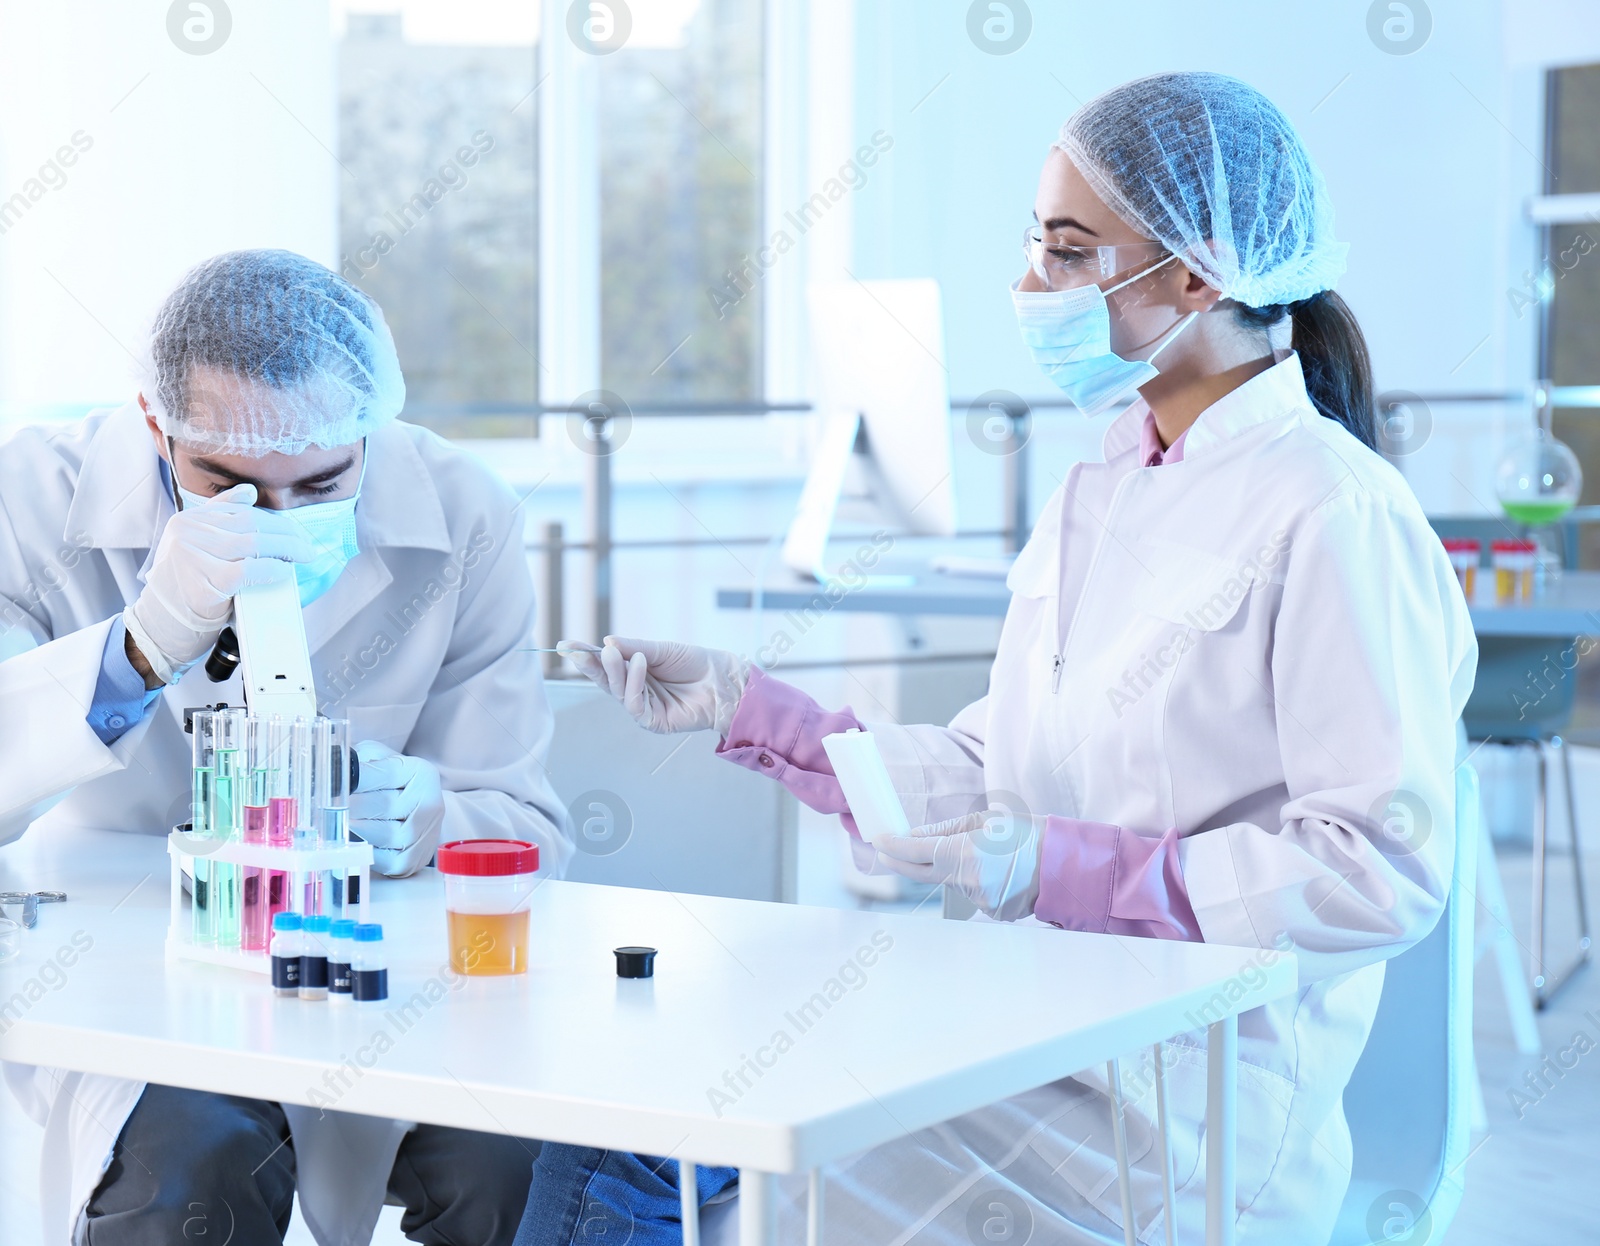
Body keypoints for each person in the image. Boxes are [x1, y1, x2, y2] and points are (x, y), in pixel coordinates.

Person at [536, 72, 1477, 1244]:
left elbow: (1374, 871)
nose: (1032, 287)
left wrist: (1066, 869)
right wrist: (754, 709)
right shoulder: (1109, 482)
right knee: (639, 1115)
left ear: (1200, 272)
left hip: (1176, 1113)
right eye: (1036, 246)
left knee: (750, 1165)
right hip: (1033, 1023)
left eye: (1073, 253)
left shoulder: (1334, 510)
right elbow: (1000, 775)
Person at [0, 249, 572, 1245]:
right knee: (193, 1170)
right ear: (154, 425)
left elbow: (525, 828)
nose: (281, 522)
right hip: (126, 973)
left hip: (374, 970)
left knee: (520, 1165)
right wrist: (137, 650)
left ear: (368, 430)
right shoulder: (32, 500)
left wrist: (431, 817)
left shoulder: (466, 513)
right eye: (227, 483)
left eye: (321, 482)